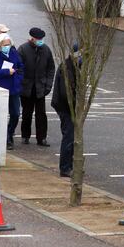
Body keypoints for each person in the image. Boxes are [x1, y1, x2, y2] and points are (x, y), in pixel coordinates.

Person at [17, 27, 55, 146]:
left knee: (41, 114)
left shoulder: (46, 50)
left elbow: (51, 68)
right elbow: (18, 68)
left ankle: (41, 138)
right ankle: (25, 136)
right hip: (26, 88)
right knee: (27, 113)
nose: (40, 41)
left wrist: (48, 86)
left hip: (40, 88)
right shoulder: (23, 49)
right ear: (32, 38)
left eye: (41, 39)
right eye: (38, 39)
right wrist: (21, 85)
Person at [0, 34, 24, 150]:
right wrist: (7, 72)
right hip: (1, 89)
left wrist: (19, 78)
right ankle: (5, 138)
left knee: (16, 114)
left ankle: (9, 132)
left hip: (14, 89)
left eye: (9, 44)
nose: (7, 47)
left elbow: (21, 67)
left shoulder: (14, 53)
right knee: (2, 115)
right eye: (5, 45)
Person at [52, 43, 79, 177]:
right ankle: (65, 167)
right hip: (65, 107)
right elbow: (65, 93)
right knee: (69, 137)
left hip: (67, 107)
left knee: (71, 136)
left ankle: (69, 165)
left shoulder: (73, 66)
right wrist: (75, 106)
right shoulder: (67, 68)